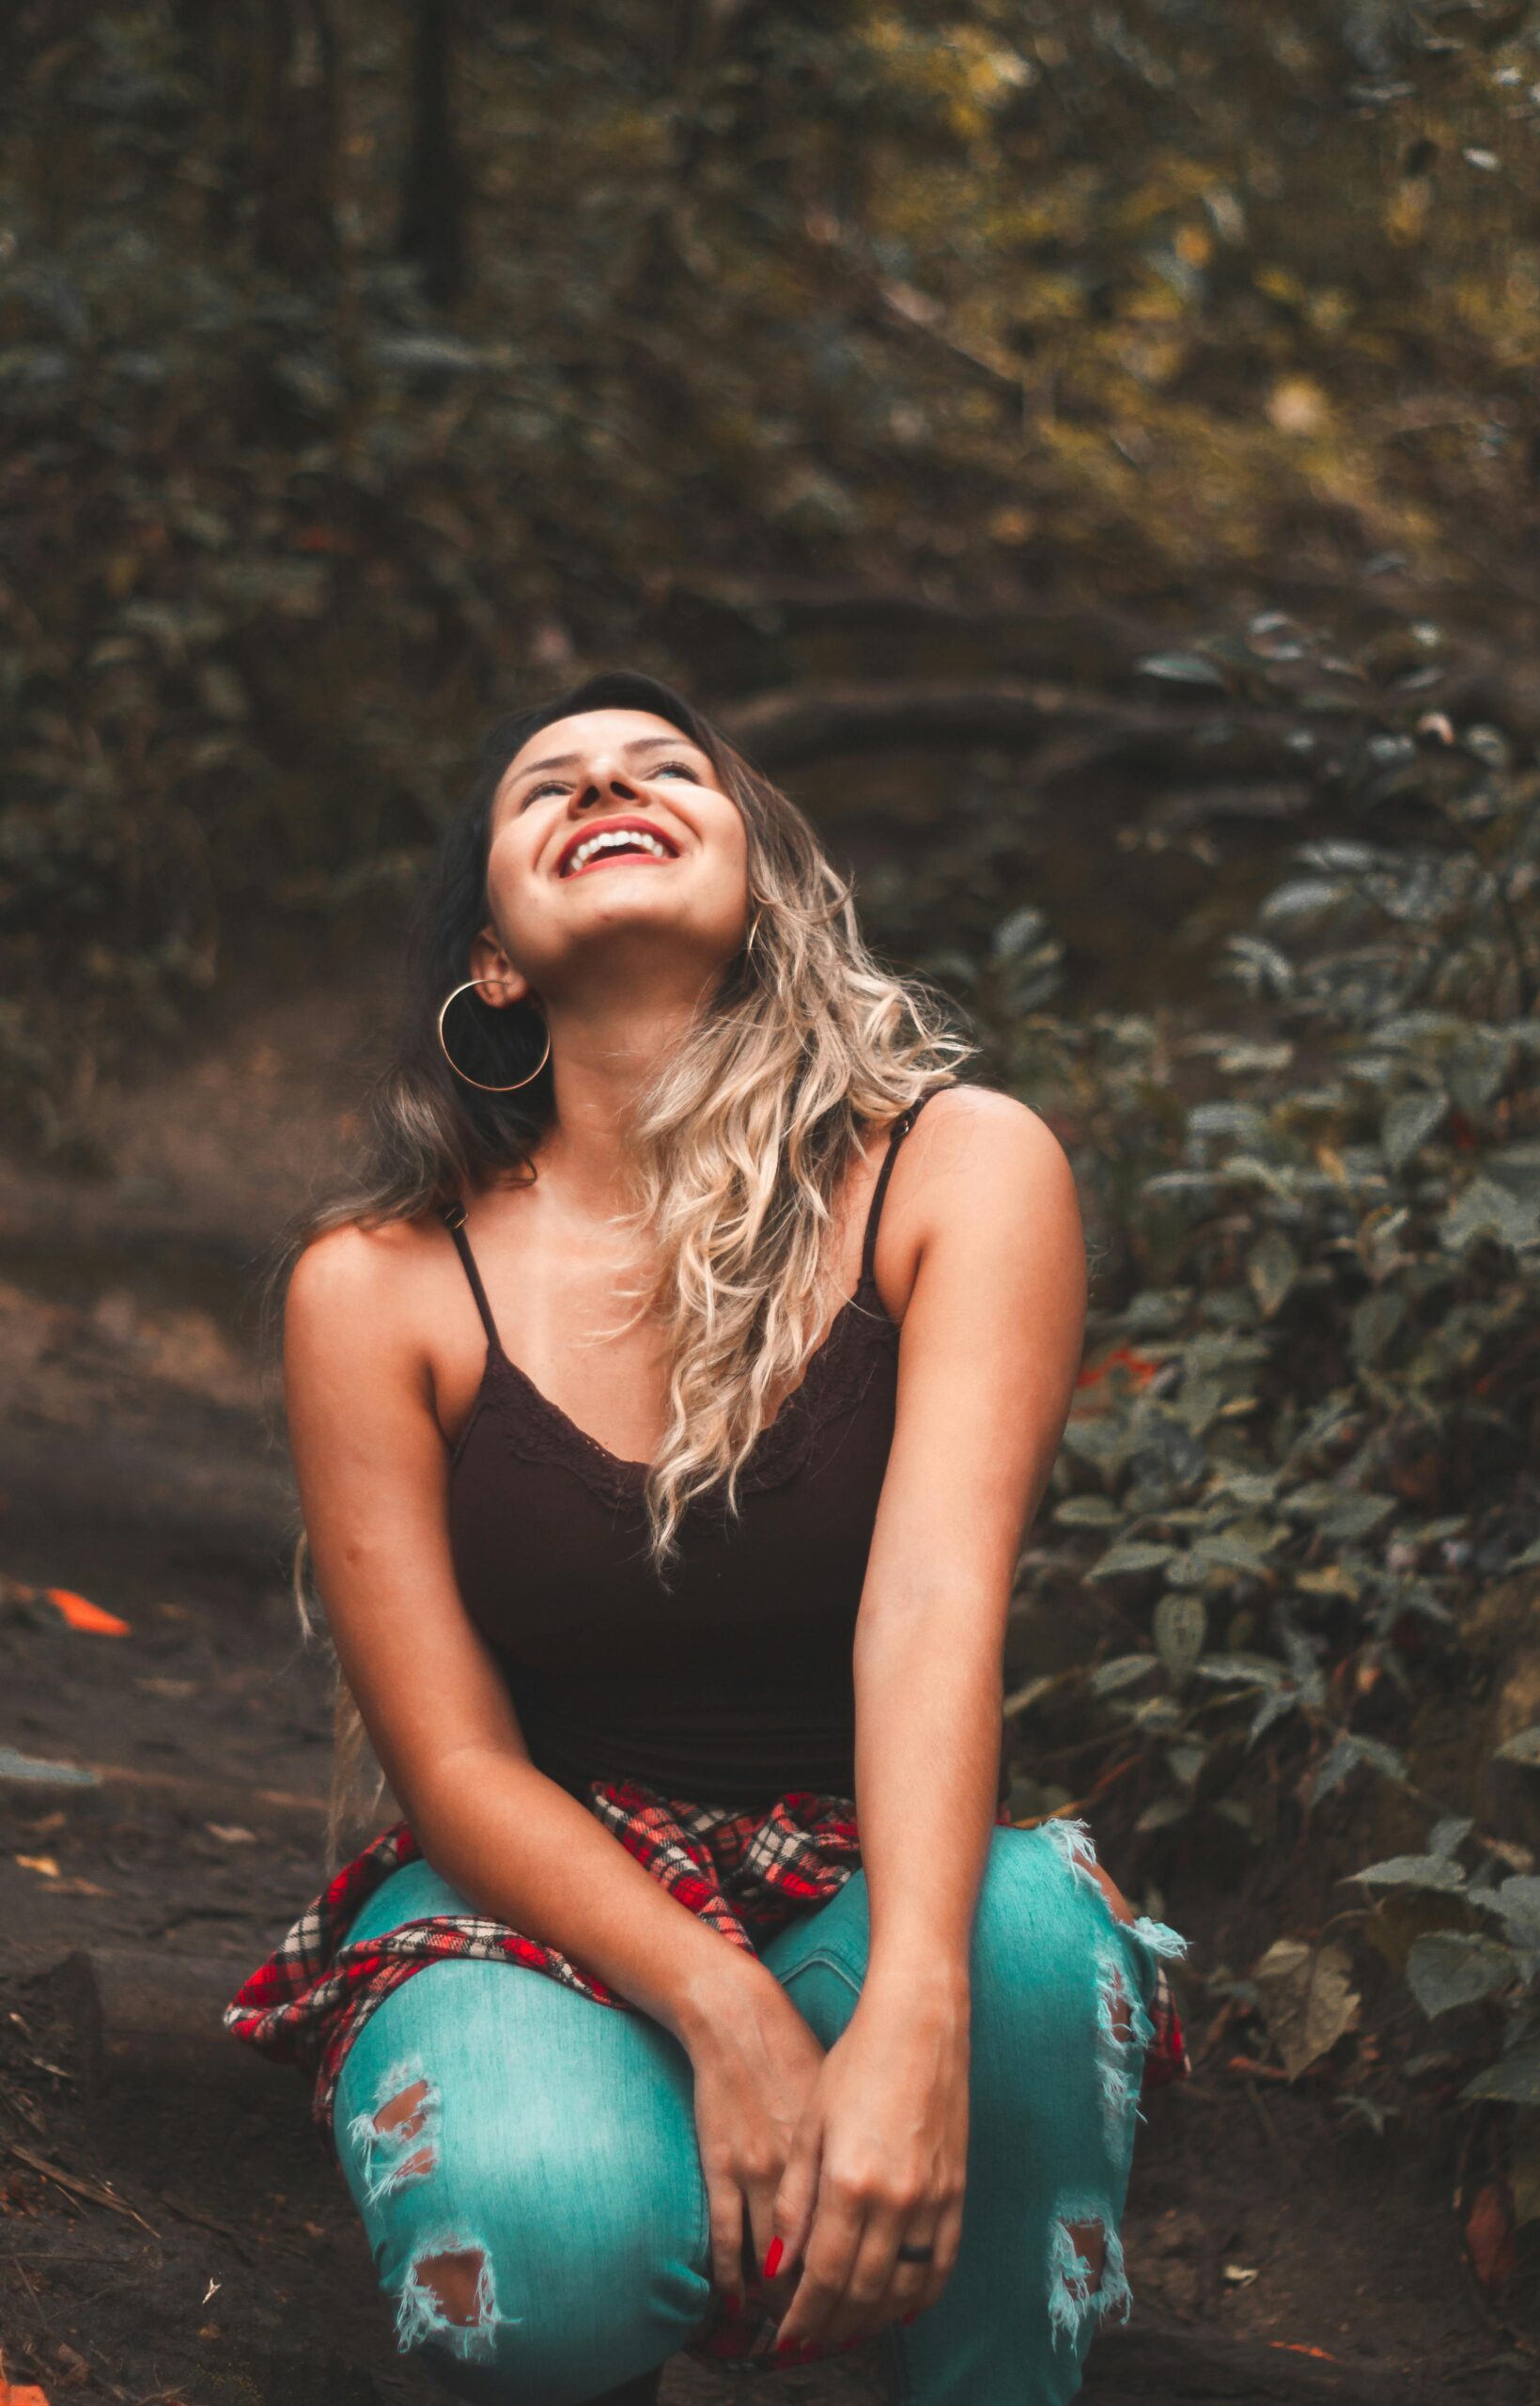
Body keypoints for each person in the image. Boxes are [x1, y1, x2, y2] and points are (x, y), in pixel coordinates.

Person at [225, 669, 1190, 2406]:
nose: (608, 783)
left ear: (761, 884)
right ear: (493, 960)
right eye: (549, 786)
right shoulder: (376, 1286)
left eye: (665, 766)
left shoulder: (959, 1169)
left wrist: (914, 2008)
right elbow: (453, 1761)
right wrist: (722, 2003)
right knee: (553, 2257)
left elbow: (933, 1607)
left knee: (1029, 1953)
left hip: (876, 1864)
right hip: (545, 1900)